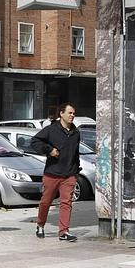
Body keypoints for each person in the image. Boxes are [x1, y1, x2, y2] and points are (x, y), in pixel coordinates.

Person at [30, 103, 81, 242]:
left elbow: (76, 154)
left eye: (73, 113)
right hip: (52, 173)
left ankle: (64, 232)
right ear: (61, 114)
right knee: (46, 202)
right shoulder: (51, 130)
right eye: (70, 113)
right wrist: (49, 150)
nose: (72, 115)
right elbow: (34, 142)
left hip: (69, 174)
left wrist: (76, 171)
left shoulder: (76, 133)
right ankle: (40, 225)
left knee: (66, 203)